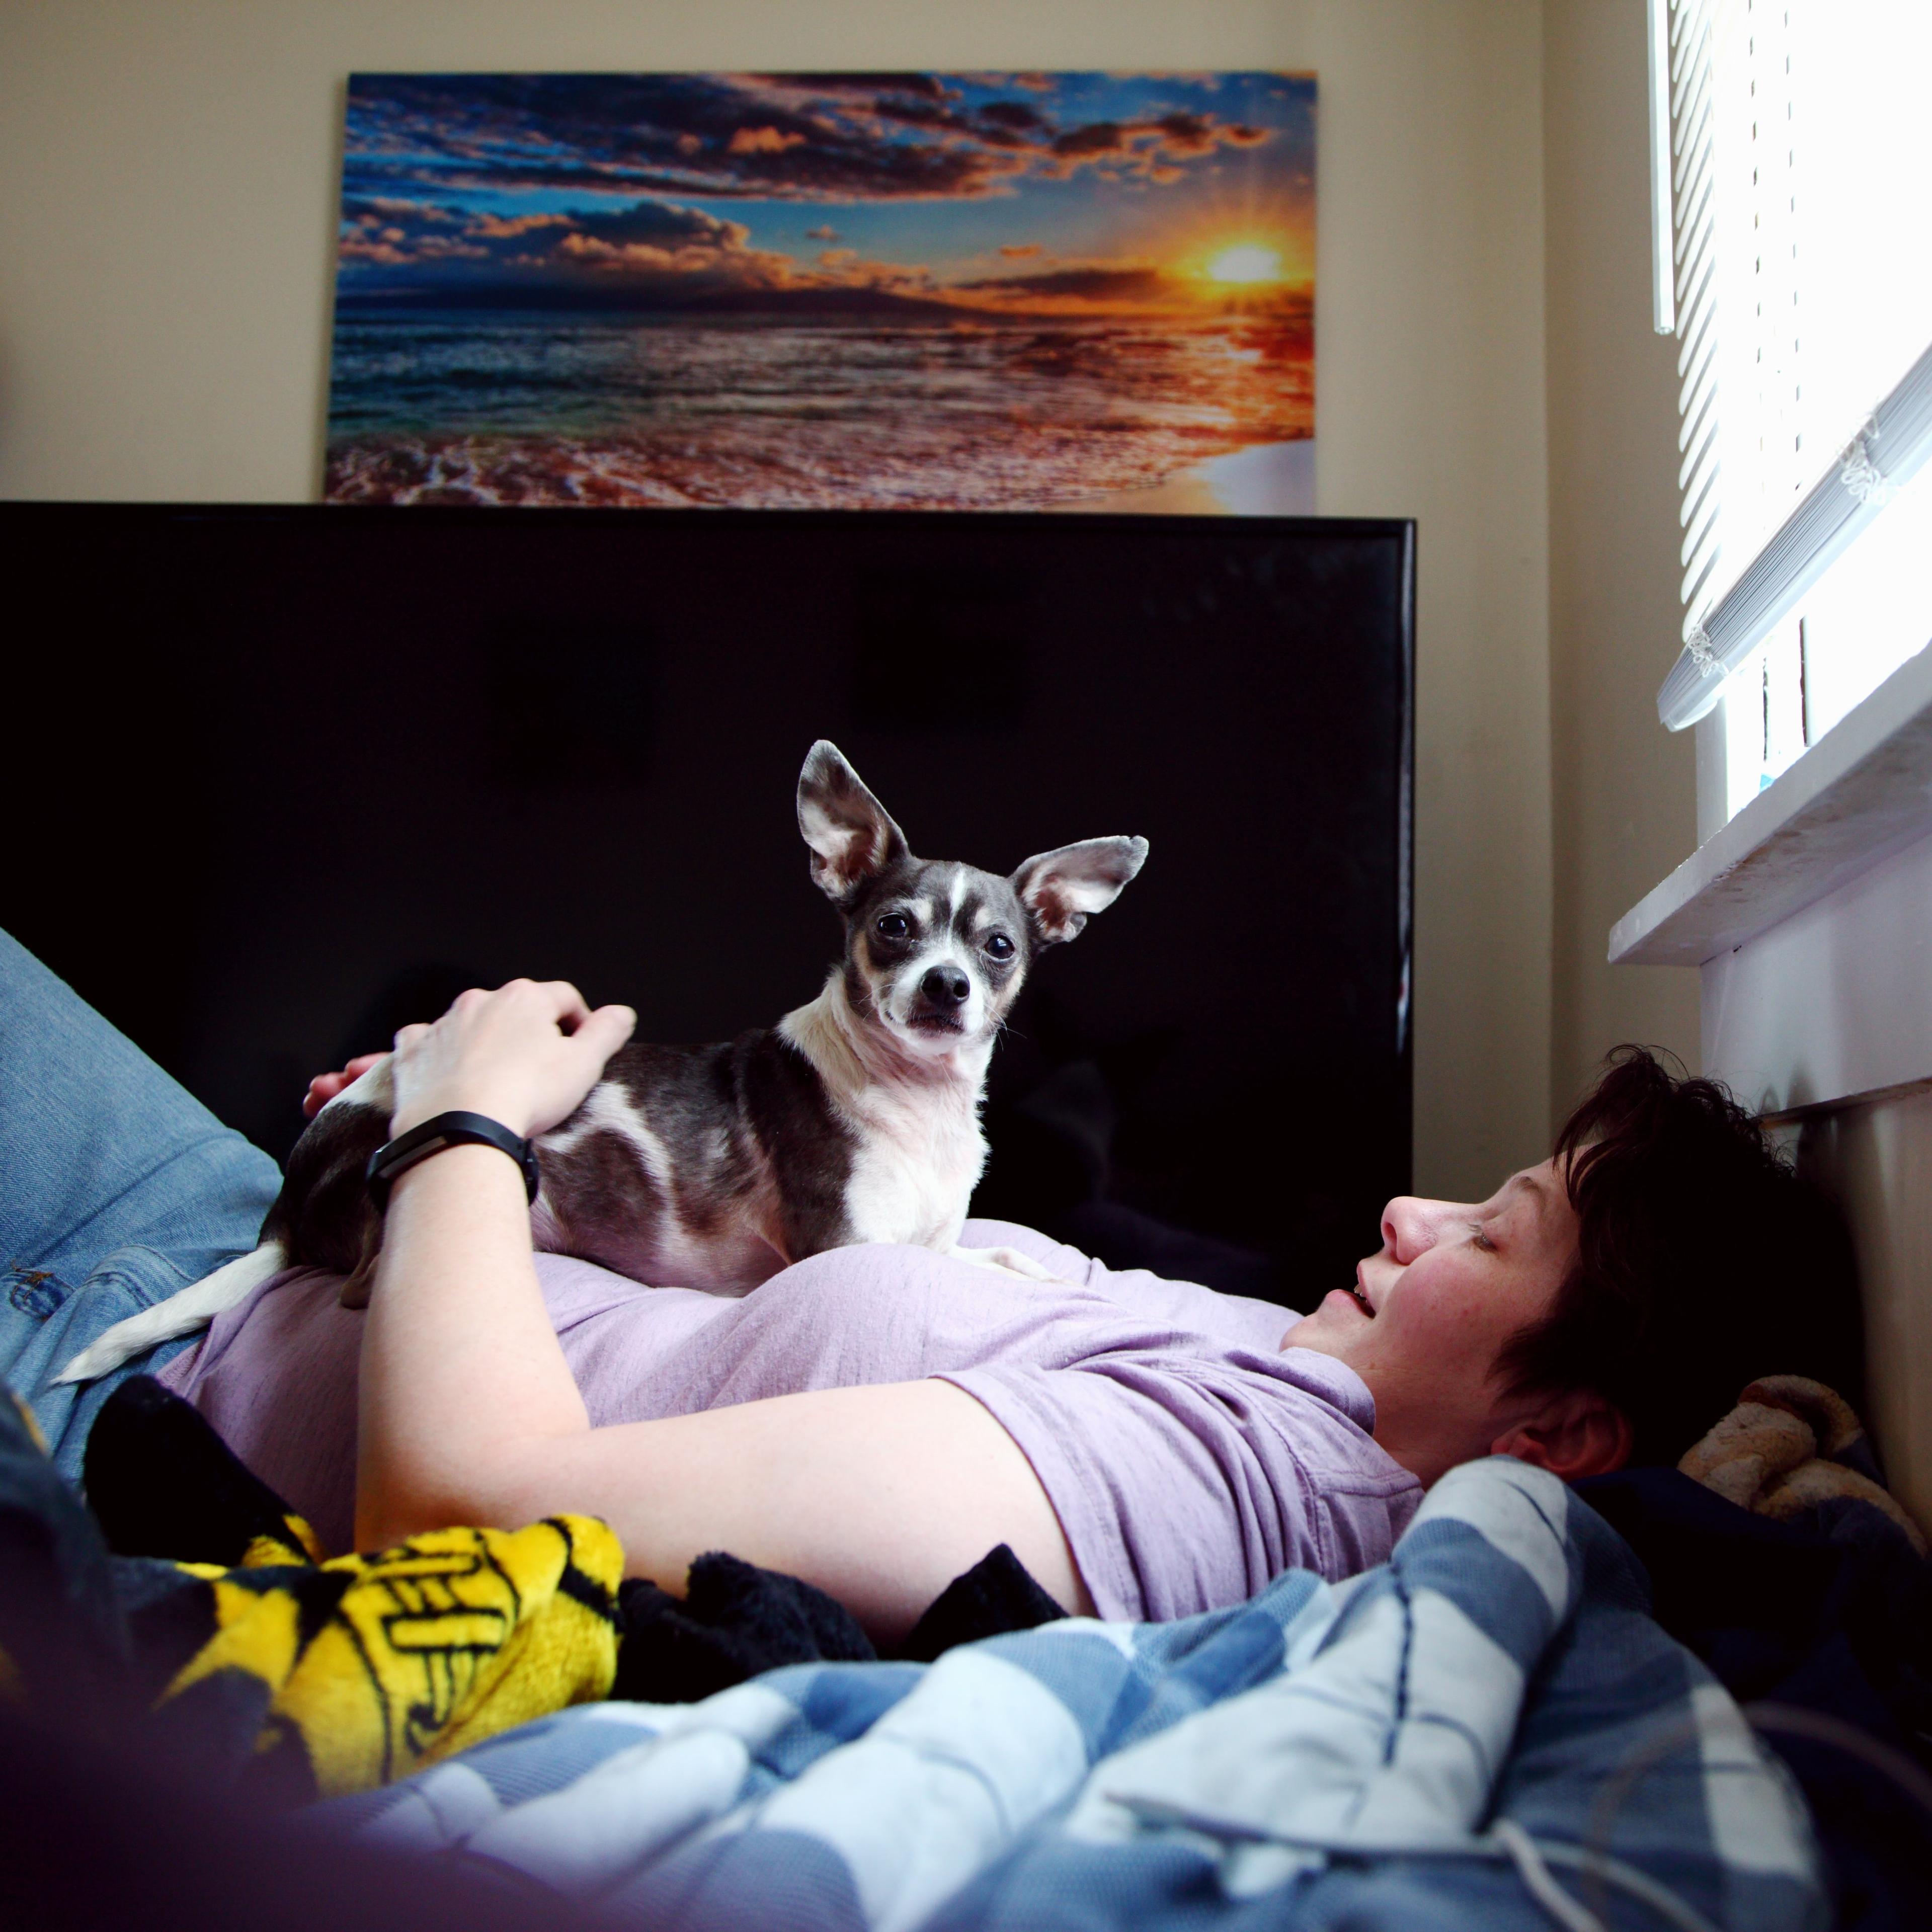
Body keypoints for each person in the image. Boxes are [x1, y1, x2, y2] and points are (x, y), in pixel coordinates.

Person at [2, 932, 1856, 1645]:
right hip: (239, 1233)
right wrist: (443, 1116)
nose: (1406, 1213)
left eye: (1497, 1230)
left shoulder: (1209, 1483)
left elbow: (469, 1515)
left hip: (113, 1364)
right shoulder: (1267, 1358)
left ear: (1564, 1429)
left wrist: (466, 1128)